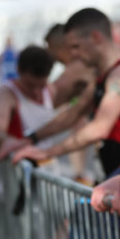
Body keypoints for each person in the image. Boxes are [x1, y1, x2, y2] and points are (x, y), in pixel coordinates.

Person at [0, 8, 120, 178]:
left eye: (76, 46)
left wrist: (47, 152)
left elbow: (99, 128)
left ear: (96, 38)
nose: (72, 54)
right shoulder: (103, 76)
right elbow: (74, 113)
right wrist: (30, 139)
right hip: (119, 179)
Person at [44, 23, 96, 183]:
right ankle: (80, 175)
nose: (51, 55)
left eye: (51, 48)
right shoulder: (80, 66)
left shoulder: (78, 66)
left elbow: (50, 99)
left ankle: (81, 175)